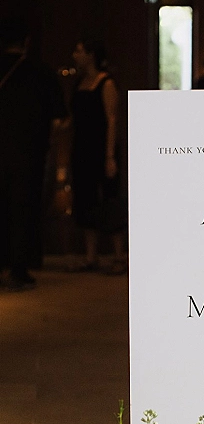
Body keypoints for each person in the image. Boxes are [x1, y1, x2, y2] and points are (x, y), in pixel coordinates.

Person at [0, 17, 66, 290]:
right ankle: (18, 268)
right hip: (28, 152)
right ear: (26, 41)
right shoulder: (40, 73)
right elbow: (59, 118)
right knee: (23, 208)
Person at [70, 38, 126, 274]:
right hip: (81, 149)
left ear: (91, 54)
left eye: (79, 51)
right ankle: (90, 256)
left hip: (102, 149)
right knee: (85, 200)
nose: (75, 55)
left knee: (109, 199)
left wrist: (110, 156)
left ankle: (119, 256)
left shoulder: (106, 83)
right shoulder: (80, 83)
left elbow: (112, 119)